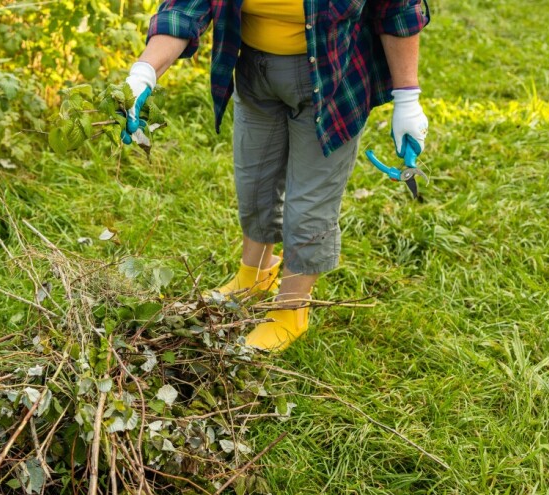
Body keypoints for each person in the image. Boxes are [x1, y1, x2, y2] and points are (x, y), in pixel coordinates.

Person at [122, 0, 430, 351]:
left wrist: (408, 97)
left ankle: (290, 310)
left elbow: (398, 9)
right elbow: (185, 8)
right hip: (255, 73)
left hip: (331, 81)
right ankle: (254, 276)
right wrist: (144, 72)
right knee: (254, 184)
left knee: (309, 205)